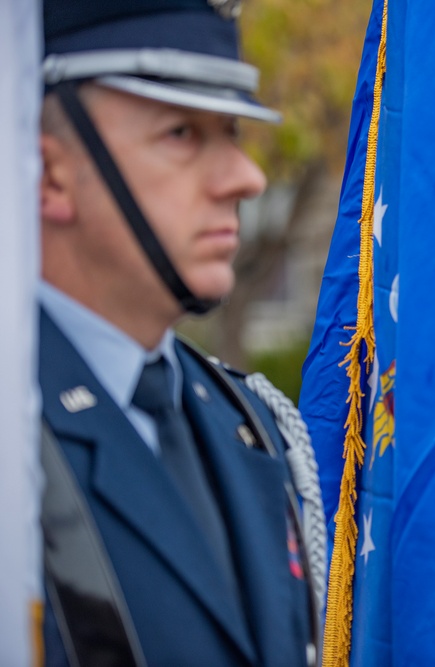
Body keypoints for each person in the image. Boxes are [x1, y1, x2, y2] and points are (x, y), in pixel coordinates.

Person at [37, 1, 321, 665]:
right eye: (181, 134)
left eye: (232, 133)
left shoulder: (247, 417)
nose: (247, 177)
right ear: (51, 174)